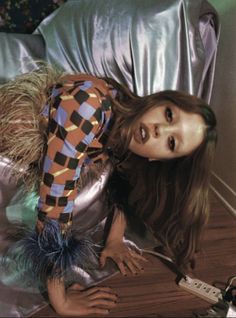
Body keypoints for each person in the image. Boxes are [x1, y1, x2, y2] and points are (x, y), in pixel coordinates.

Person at [0, 65, 217, 316]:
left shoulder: (125, 130)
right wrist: (61, 301)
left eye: (171, 142)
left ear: (160, 160)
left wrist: (115, 240)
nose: (160, 129)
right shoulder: (88, 105)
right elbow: (54, 211)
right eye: (169, 115)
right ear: (157, 101)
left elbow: (121, 180)